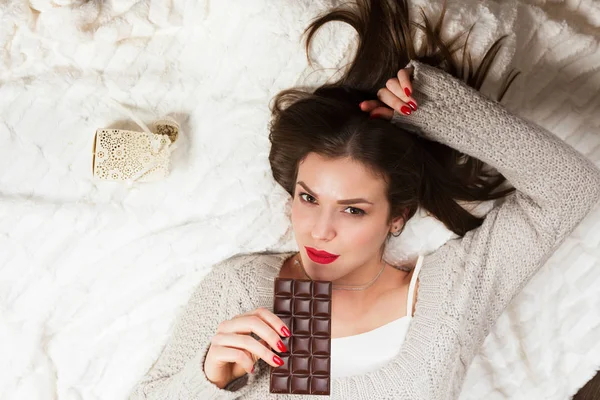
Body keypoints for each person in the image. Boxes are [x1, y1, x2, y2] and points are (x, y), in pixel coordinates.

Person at [128, 0, 600, 399]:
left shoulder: (452, 290)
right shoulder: (247, 288)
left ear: (398, 218)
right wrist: (208, 378)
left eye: (353, 209)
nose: (320, 229)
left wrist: (440, 112)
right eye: (308, 197)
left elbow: (569, 187)